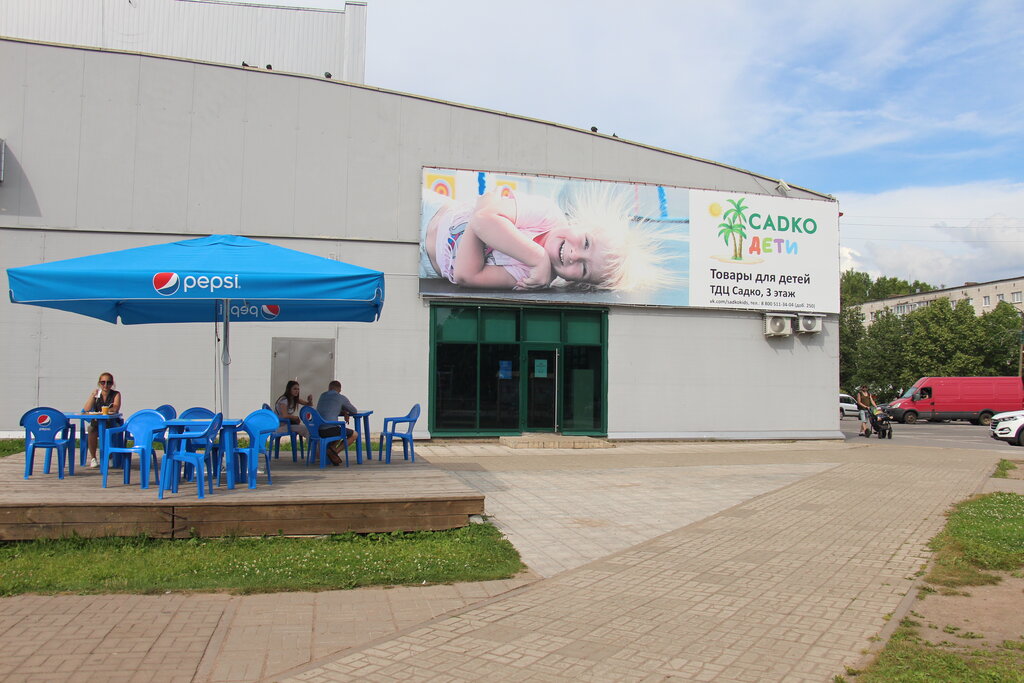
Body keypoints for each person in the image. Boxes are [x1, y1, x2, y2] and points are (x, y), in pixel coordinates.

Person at [421, 186, 679, 292]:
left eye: (584, 268)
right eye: (586, 243)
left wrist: (484, 208)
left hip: (424, 265)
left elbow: (466, 275)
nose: (575, 255)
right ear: (579, 223)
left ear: (577, 281)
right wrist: (537, 256)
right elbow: (483, 222)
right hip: (429, 211)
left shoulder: (534, 278)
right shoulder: (546, 214)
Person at [81, 371, 122, 468]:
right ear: (99, 383)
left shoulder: (116, 394)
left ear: (112, 384)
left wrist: (104, 411)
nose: (106, 385)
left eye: (109, 382)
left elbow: (116, 408)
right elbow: (86, 409)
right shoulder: (97, 394)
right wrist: (92, 396)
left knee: (110, 430)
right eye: (103, 382)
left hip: (111, 422)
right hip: (97, 422)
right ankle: (93, 458)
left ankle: (110, 456)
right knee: (91, 429)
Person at [315, 380, 358, 465]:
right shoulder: (340, 397)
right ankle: (334, 453)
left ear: (329, 388)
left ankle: (331, 451)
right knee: (354, 434)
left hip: (317, 430)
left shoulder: (322, 395)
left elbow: (330, 408)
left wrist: (344, 412)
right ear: (340, 389)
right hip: (330, 430)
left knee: (339, 431)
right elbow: (354, 411)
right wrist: (346, 411)